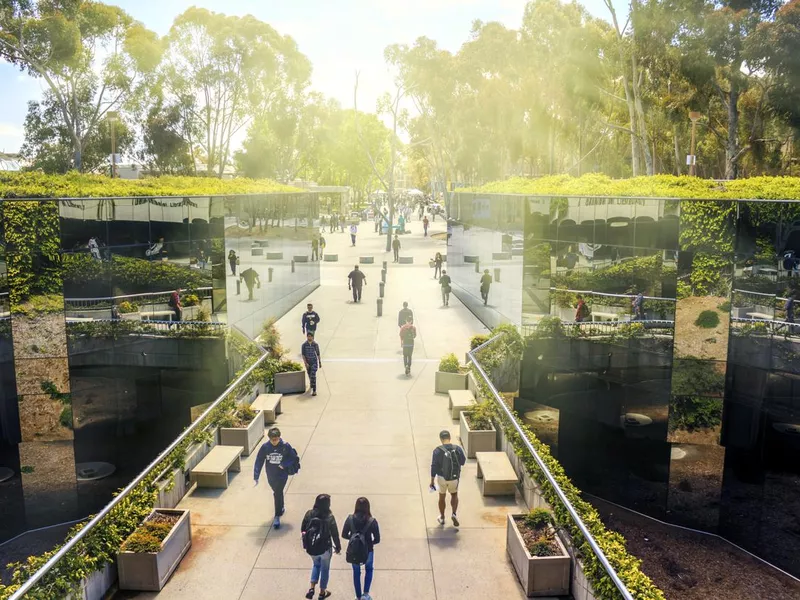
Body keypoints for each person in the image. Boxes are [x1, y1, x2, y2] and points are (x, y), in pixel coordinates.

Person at [254, 427, 300, 529]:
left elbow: (293, 457)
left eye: (276, 439)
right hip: (271, 474)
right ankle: (281, 507)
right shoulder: (265, 447)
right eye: (272, 439)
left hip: (282, 475)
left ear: (279, 437)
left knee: (277, 492)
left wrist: (284, 464)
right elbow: (259, 460)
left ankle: (277, 516)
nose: (274, 442)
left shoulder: (285, 446)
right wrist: (256, 475)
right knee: (277, 491)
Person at [302, 494, 341, 600]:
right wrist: (338, 547)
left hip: (312, 547)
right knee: (325, 569)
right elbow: (335, 533)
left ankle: (311, 588)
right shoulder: (329, 517)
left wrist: (306, 544)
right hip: (325, 548)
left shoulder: (309, 514)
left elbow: (303, 529)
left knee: (316, 565)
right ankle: (322, 592)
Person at [342, 497, 380, 600]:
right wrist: (368, 542)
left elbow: (344, 534)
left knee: (356, 572)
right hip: (368, 551)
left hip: (354, 551)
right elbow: (377, 539)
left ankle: (358, 596)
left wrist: (354, 539)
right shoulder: (372, 521)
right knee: (369, 569)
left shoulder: (350, 518)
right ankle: (366, 594)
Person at [430, 430, 467, 527]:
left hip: (442, 478)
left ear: (441, 439)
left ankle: (442, 517)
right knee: (454, 495)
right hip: (454, 478)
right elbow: (463, 462)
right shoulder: (457, 448)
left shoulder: (437, 450)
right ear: (449, 438)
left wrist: (432, 481)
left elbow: (434, 466)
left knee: (442, 497)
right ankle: (454, 514)